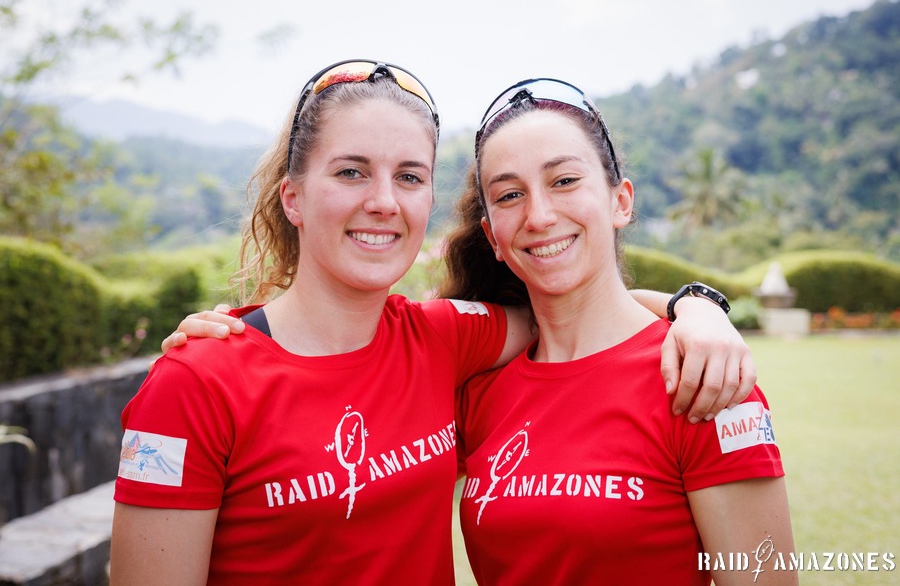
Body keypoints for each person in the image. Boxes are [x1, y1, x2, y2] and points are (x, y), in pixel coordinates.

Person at [113, 60, 753, 585]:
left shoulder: (442, 337)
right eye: (351, 172)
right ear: (294, 197)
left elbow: (570, 308)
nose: (383, 201)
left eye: (409, 177)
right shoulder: (196, 380)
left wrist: (696, 307)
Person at [445, 78, 796, 584]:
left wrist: (696, 308)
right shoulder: (478, 388)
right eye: (510, 195)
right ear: (492, 238)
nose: (539, 215)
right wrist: (689, 303)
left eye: (564, 181)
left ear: (621, 201)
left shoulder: (702, 377)